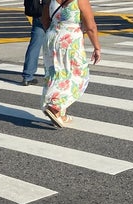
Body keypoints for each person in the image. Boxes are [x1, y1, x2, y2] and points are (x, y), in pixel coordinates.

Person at [40, 0, 101, 128]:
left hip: (51, 38)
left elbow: (44, 19)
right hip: (70, 40)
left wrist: (55, 32)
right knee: (79, 75)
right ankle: (55, 106)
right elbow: (91, 26)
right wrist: (97, 47)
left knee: (55, 73)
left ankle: (59, 114)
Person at [21, 0, 46, 86]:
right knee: (54, 46)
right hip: (51, 15)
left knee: (34, 46)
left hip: (38, 15)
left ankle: (27, 76)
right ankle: (53, 73)